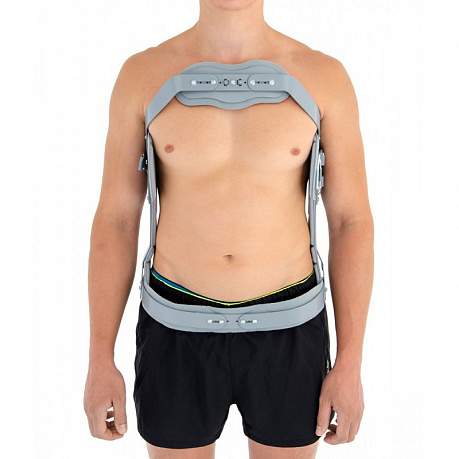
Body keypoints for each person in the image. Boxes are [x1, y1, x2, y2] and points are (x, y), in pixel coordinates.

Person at [83, 0, 373, 458]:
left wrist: (350, 362)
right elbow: (116, 221)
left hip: (290, 324)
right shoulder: (142, 75)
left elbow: (350, 220)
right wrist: (100, 358)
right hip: (174, 322)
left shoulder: (323, 77)